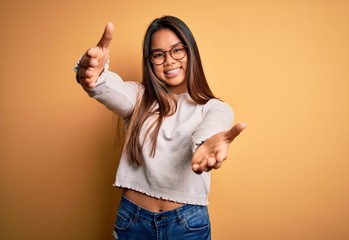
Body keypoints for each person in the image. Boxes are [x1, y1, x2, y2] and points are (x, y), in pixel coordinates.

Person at [75, 16, 246, 240]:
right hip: (132, 221)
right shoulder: (139, 97)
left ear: (191, 52)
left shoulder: (214, 108)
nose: (169, 61)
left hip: (187, 225)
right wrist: (93, 74)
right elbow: (106, 87)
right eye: (158, 54)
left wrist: (207, 143)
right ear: (150, 61)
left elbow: (213, 126)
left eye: (177, 50)